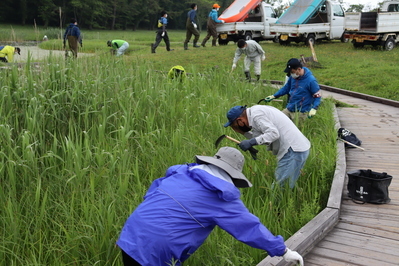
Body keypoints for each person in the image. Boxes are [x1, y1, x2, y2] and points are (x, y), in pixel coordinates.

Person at [116, 147, 304, 266]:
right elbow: (250, 228)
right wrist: (283, 251)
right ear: (233, 174)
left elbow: (153, 191)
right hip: (157, 249)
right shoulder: (222, 196)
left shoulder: (183, 172)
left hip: (132, 231)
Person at [224, 105, 310, 189]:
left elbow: (273, 134)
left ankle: (276, 203)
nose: (236, 128)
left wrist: (251, 142)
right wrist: (245, 134)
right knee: (285, 184)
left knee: (280, 187)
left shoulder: (257, 115)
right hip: (296, 148)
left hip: (293, 150)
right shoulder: (255, 112)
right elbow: (263, 137)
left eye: (235, 125)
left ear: (240, 120)